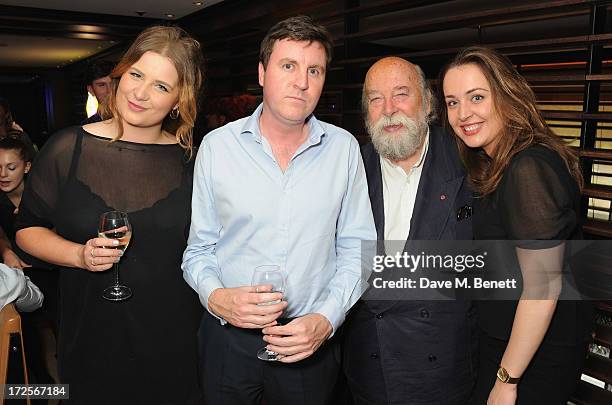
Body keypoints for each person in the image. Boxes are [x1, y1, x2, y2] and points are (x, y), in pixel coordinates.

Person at [182, 15, 376, 405]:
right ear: (262, 73)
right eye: (288, 66)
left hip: (307, 342)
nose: (302, 82)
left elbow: (359, 248)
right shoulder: (218, 147)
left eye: (314, 70)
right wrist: (216, 297)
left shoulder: (343, 149)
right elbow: (198, 250)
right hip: (228, 340)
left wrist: (326, 319)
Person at [15, 26, 204, 404]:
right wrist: (79, 256)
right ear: (120, 75)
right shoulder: (69, 146)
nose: (140, 93)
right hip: (91, 336)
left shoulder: (196, 161)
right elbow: (27, 229)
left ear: (179, 101)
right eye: (136, 75)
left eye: (161, 86)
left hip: (174, 339)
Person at [440, 46, 592, 405]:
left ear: (507, 95)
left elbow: (543, 290)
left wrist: (508, 380)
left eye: (476, 97)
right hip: (507, 339)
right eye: (452, 102)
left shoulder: (528, 168)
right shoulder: (493, 163)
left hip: (534, 355)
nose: (463, 113)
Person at [342, 56, 476, 405]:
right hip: (369, 369)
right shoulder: (346, 170)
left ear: (428, 103)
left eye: (401, 94)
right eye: (375, 99)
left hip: (446, 371)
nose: (388, 109)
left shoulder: (471, 163)